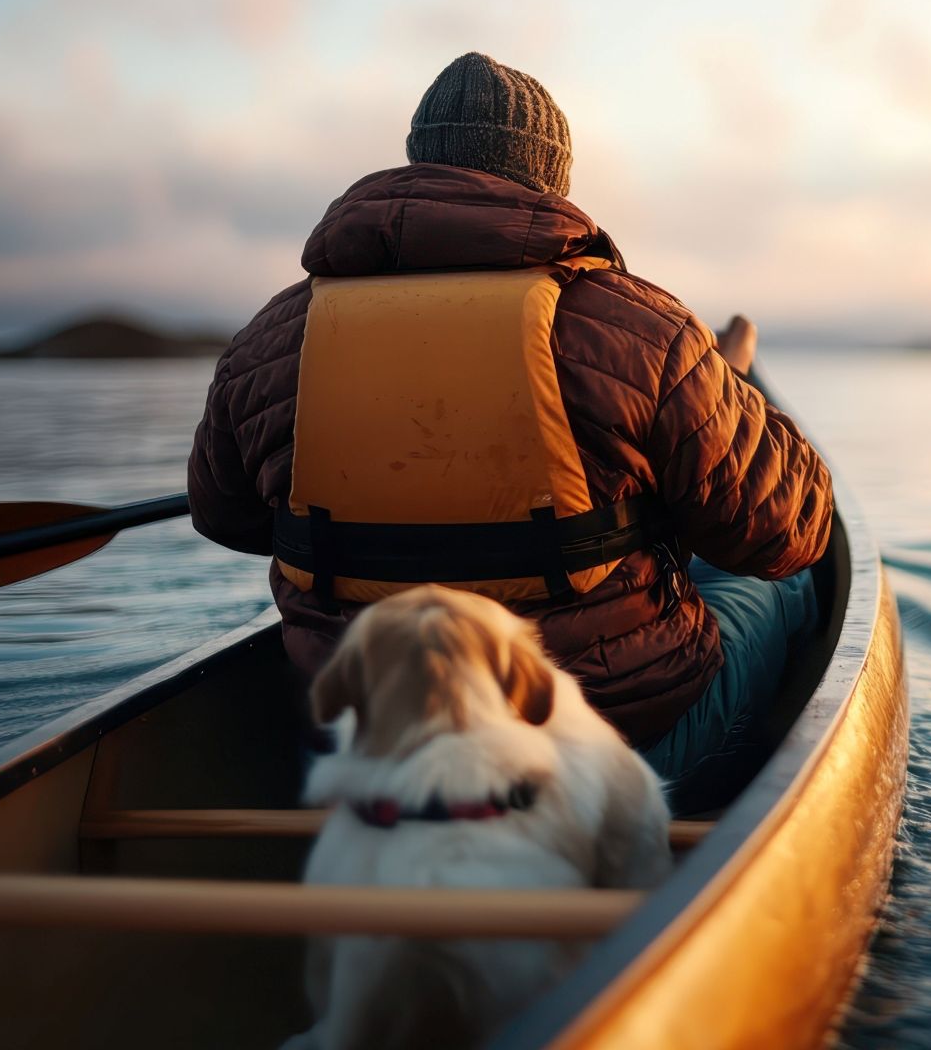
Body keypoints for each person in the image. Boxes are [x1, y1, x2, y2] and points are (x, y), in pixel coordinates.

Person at [188, 52, 833, 815]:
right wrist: (733, 394)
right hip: (608, 751)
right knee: (790, 579)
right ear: (549, 180)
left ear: (422, 160)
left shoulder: (269, 339)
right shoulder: (641, 328)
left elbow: (225, 517)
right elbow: (792, 529)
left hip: (366, 748)